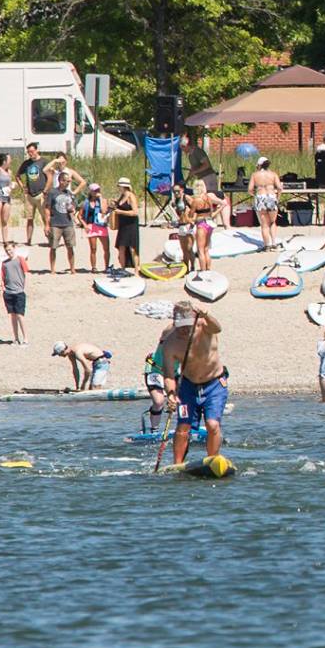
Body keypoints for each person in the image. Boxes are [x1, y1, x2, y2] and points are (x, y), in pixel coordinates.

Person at [157, 300, 227, 466]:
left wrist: (206, 314)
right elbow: (168, 374)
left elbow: (218, 328)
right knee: (183, 428)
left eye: (187, 325)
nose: (184, 330)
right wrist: (172, 394)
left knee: (212, 424)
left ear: (195, 320)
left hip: (215, 384)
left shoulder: (206, 327)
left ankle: (212, 461)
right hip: (188, 386)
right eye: (180, 326)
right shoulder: (170, 343)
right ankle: (177, 464)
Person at [43, 165, 79, 274]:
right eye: (66, 181)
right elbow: (47, 208)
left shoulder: (69, 194)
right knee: (53, 247)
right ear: (60, 181)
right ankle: (52, 269)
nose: (68, 183)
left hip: (68, 222)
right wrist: (47, 224)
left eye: (69, 181)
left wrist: (72, 209)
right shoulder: (53, 192)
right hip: (55, 223)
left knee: (70, 247)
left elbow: (73, 207)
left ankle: (72, 268)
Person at [0, 241, 29, 344]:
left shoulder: (20, 260)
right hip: (8, 292)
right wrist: (3, 288)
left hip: (19, 291)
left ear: (14, 248)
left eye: (10, 250)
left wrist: (24, 287)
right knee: (12, 316)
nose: (9, 252)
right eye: (7, 250)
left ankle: (25, 338)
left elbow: (26, 274)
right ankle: (16, 338)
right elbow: (3, 277)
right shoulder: (4, 263)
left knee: (20, 315)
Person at [249, 156, 283, 248]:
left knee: (264, 224)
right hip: (271, 196)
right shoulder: (273, 174)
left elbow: (250, 189)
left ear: (259, 165)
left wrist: (255, 195)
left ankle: (266, 245)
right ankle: (273, 242)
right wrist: (278, 198)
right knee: (272, 222)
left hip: (260, 196)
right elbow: (279, 188)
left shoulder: (255, 175)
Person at [18, 142, 47, 245]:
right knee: (30, 219)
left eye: (32, 151)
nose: (31, 154)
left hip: (41, 194)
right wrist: (22, 187)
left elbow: (49, 176)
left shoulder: (43, 162)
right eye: (29, 152)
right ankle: (29, 240)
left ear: (36, 150)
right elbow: (18, 175)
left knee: (45, 218)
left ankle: (50, 239)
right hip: (30, 194)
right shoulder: (26, 163)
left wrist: (46, 190)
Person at [111, 177, 140, 269]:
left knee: (132, 248)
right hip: (123, 225)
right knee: (121, 247)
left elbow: (135, 212)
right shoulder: (122, 196)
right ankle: (123, 268)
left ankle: (136, 269)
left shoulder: (131, 196)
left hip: (131, 224)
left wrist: (120, 212)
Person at [81, 181, 110, 272]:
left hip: (101, 226)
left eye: (98, 190)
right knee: (93, 248)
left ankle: (106, 267)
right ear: (90, 191)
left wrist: (100, 199)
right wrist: (85, 225)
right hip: (91, 226)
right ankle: (94, 267)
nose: (96, 192)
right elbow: (80, 215)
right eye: (94, 190)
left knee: (106, 248)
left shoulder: (103, 200)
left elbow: (104, 211)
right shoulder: (86, 202)